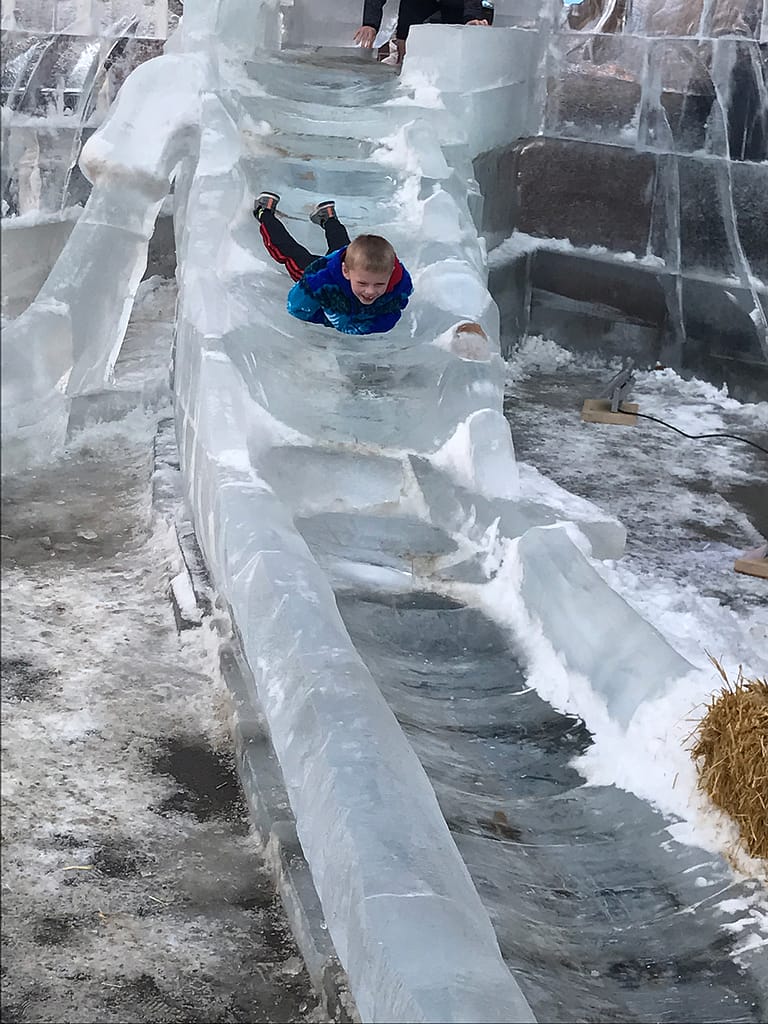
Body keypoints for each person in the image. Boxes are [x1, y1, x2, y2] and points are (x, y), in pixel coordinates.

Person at [253, 192, 413, 335]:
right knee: (289, 251)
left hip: (342, 261)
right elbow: (297, 308)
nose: (370, 291)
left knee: (342, 245)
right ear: (346, 271)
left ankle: (328, 216)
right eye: (362, 283)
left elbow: (393, 312)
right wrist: (333, 318)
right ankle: (264, 212)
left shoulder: (401, 282)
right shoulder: (317, 281)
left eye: (379, 284)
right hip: (321, 271)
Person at [354, 0, 494, 64]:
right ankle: (402, 62)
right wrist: (370, 24)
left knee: (456, 39)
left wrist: (472, 18)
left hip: (456, 5)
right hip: (419, 4)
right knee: (410, 9)